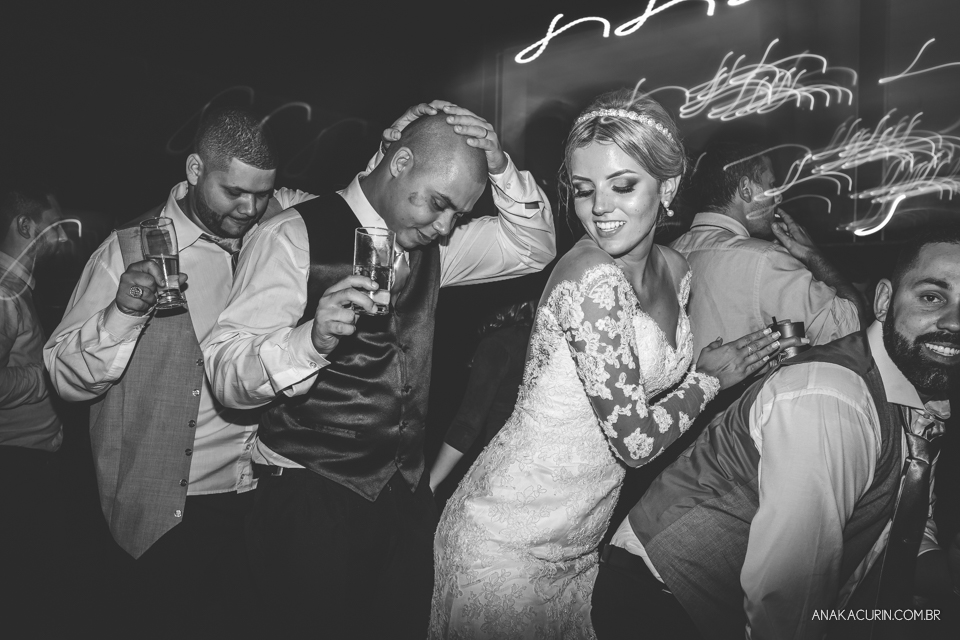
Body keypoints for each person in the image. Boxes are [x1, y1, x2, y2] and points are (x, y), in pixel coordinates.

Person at [429, 90, 790, 639]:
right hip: (506, 541)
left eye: (622, 186)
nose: (599, 208)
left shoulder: (677, 268)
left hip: (578, 546)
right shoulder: (590, 278)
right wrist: (708, 380)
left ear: (668, 188)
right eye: (583, 190)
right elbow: (635, 442)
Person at [201, 103, 557, 639]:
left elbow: (534, 246)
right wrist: (308, 341)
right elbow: (225, 371)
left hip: (402, 496)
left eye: (458, 215)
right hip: (309, 499)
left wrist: (501, 166)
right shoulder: (292, 236)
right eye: (438, 203)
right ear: (401, 163)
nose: (445, 226)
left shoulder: (437, 245)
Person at [593, 226, 960, 640]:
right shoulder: (832, 399)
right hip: (660, 606)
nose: (954, 322)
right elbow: (787, 600)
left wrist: (944, 582)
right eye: (932, 297)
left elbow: (905, 518)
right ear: (883, 301)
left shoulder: (923, 391)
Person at [43, 107, 314, 638]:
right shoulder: (124, 251)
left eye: (262, 194)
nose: (249, 208)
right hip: (167, 515)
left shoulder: (275, 231)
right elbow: (63, 375)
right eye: (234, 192)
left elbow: (353, 203)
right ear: (194, 170)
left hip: (259, 498)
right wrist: (122, 312)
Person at [672, 139, 864, 359]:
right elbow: (851, 327)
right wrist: (812, 255)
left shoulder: (667, 252)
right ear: (746, 189)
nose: (778, 196)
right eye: (772, 185)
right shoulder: (765, 259)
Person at [0, 177, 68, 630]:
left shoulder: (19, 287)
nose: (62, 236)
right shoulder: (3, 293)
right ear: (25, 226)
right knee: (25, 591)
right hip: (15, 465)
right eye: (54, 225)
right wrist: (47, 374)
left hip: (26, 461)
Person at [428, 298, 537, 493]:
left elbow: (467, 423)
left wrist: (431, 483)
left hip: (502, 465)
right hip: (538, 465)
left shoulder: (498, 344)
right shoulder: (541, 341)